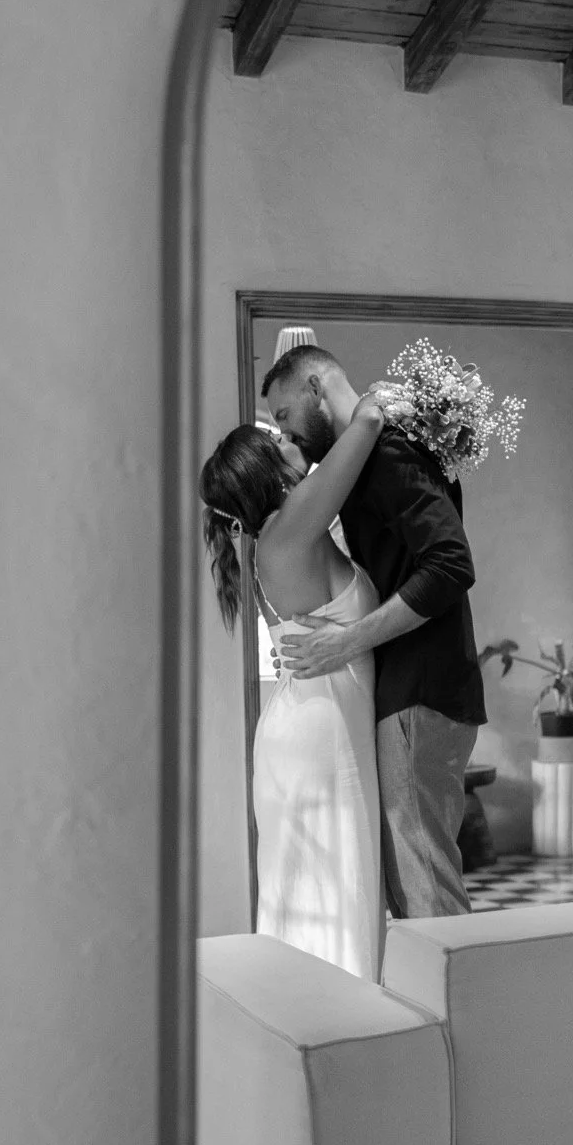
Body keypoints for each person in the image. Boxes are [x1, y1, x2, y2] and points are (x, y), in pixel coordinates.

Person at [263, 345, 486, 919]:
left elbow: (450, 566)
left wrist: (346, 640)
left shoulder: (387, 453)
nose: (286, 432)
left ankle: (471, 1010)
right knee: (412, 881)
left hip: (423, 688)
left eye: (284, 416)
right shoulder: (368, 456)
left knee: (424, 882)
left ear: (315, 389)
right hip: (417, 688)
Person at [199, 395, 387, 980]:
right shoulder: (289, 525)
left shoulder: (277, 536)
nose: (289, 442)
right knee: (332, 893)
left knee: (317, 897)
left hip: (311, 727)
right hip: (318, 738)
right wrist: (319, 391)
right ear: (266, 472)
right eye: (276, 439)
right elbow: (371, 420)